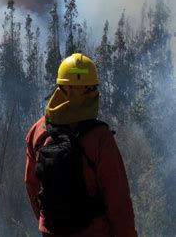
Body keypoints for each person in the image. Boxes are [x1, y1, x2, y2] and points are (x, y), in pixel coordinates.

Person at [25, 53, 137, 237]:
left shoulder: (39, 131)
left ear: (60, 88)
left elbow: (31, 185)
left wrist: (48, 223)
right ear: (92, 91)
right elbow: (118, 201)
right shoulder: (101, 138)